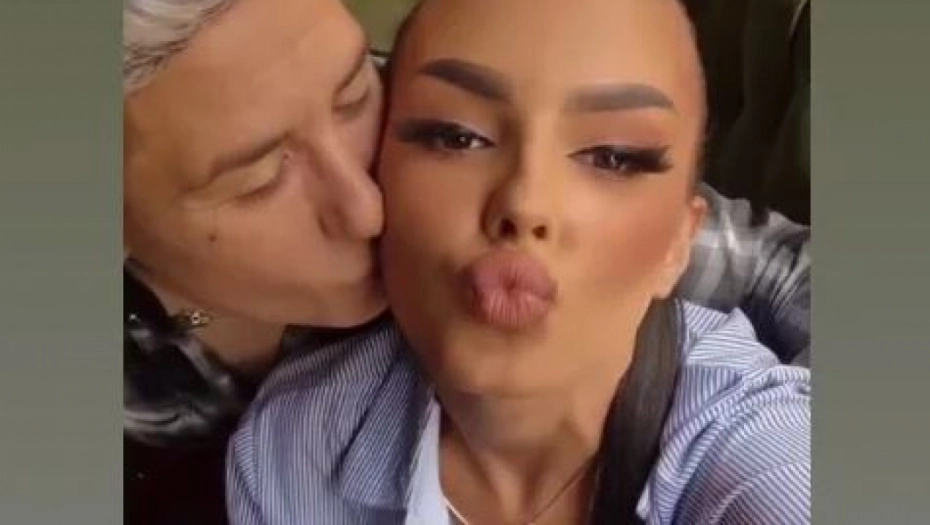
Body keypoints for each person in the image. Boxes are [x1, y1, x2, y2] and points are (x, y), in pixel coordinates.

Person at [123, 0, 809, 523]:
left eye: (354, 96)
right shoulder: (278, 444)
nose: (368, 207)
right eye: (258, 178)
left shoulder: (457, 121)